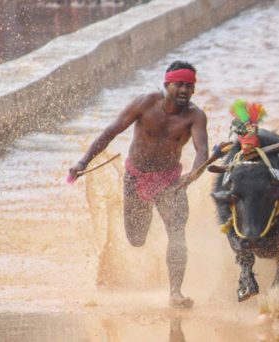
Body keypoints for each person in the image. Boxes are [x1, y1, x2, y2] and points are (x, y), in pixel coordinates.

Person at [69, 60, 208, 308]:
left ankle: (175, 292)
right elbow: (111, 131)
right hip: (136, 178)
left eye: (189, 86)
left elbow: (202, 151)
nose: (184, 91)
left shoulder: (195, 117)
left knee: (177, 235)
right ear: (167, 85)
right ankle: (150, 234)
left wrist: (193, 174)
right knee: (136, 239)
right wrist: (83, 162)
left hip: (171, 183)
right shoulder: (145, 103)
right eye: (179, 85)